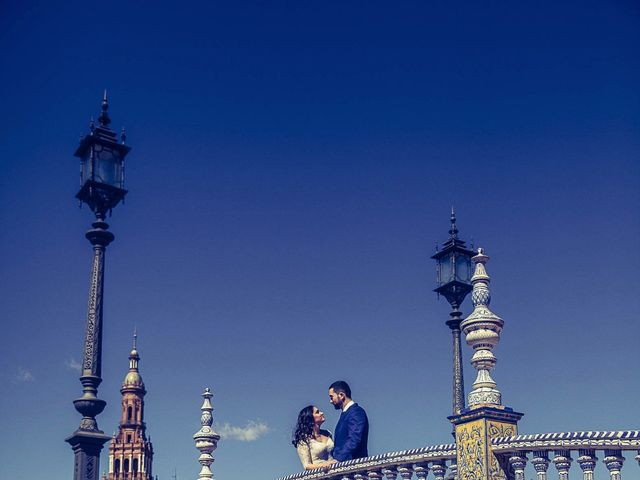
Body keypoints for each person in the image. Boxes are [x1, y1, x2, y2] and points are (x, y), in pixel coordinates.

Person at [328, 380, 369, 461]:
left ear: (341, 395)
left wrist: (338, 459)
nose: (330, 401)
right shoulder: (346, 414)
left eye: (331, 397)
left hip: (354, 467)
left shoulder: (356, 412)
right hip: (343, 467)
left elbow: (354, 438)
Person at [292, 405, 337, 470]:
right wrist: (325, 464)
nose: (322, 413)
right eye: (317, 412)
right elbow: (307, 466)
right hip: (319, 475)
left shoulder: (327, 433)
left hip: (335, 473)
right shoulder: (303, 440)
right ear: (310, 418)